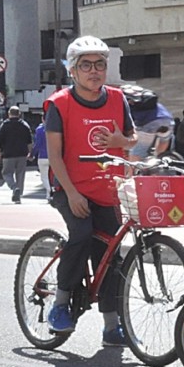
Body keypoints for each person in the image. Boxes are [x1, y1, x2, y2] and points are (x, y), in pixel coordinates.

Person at [43, 35, 138, 342]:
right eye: (86, 65)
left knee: (111, 256)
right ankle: (59, 304)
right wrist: (71, 193)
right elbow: (54, 155)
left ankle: (111, 325)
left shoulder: (116, 98)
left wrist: (120, 143)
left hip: (108, 191)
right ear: (73, 70)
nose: (94, 71)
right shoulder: (59, 104)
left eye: (100, 64)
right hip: (71, 190)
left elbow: (133, 138)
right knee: (82, 235)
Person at [122, 85, 174, 160]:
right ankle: (157, 162)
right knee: (163, 140)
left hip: (150, 123)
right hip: (167, 120)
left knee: (137, 152)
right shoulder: (148, 101)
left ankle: (132, 170)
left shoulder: (128, 104)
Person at [0, 105, 33, 204]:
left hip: (8, 154)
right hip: (22, 153)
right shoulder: (24, 125)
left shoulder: (5, 125)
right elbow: (29, 140)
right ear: (19, 114)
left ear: (9, 114)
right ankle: (19, 195)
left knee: (6, 173)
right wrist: (30, 152)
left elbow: (0, 139)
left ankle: (14, 187)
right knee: (20, 174)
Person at [32, 121, 51, 199]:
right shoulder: (56, 128)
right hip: (54, 157)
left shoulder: (39, 130)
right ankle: (49, 194)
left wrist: (32, 154)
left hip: (43, 156)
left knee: (44, 177)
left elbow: (37, 144)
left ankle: (49, 190)